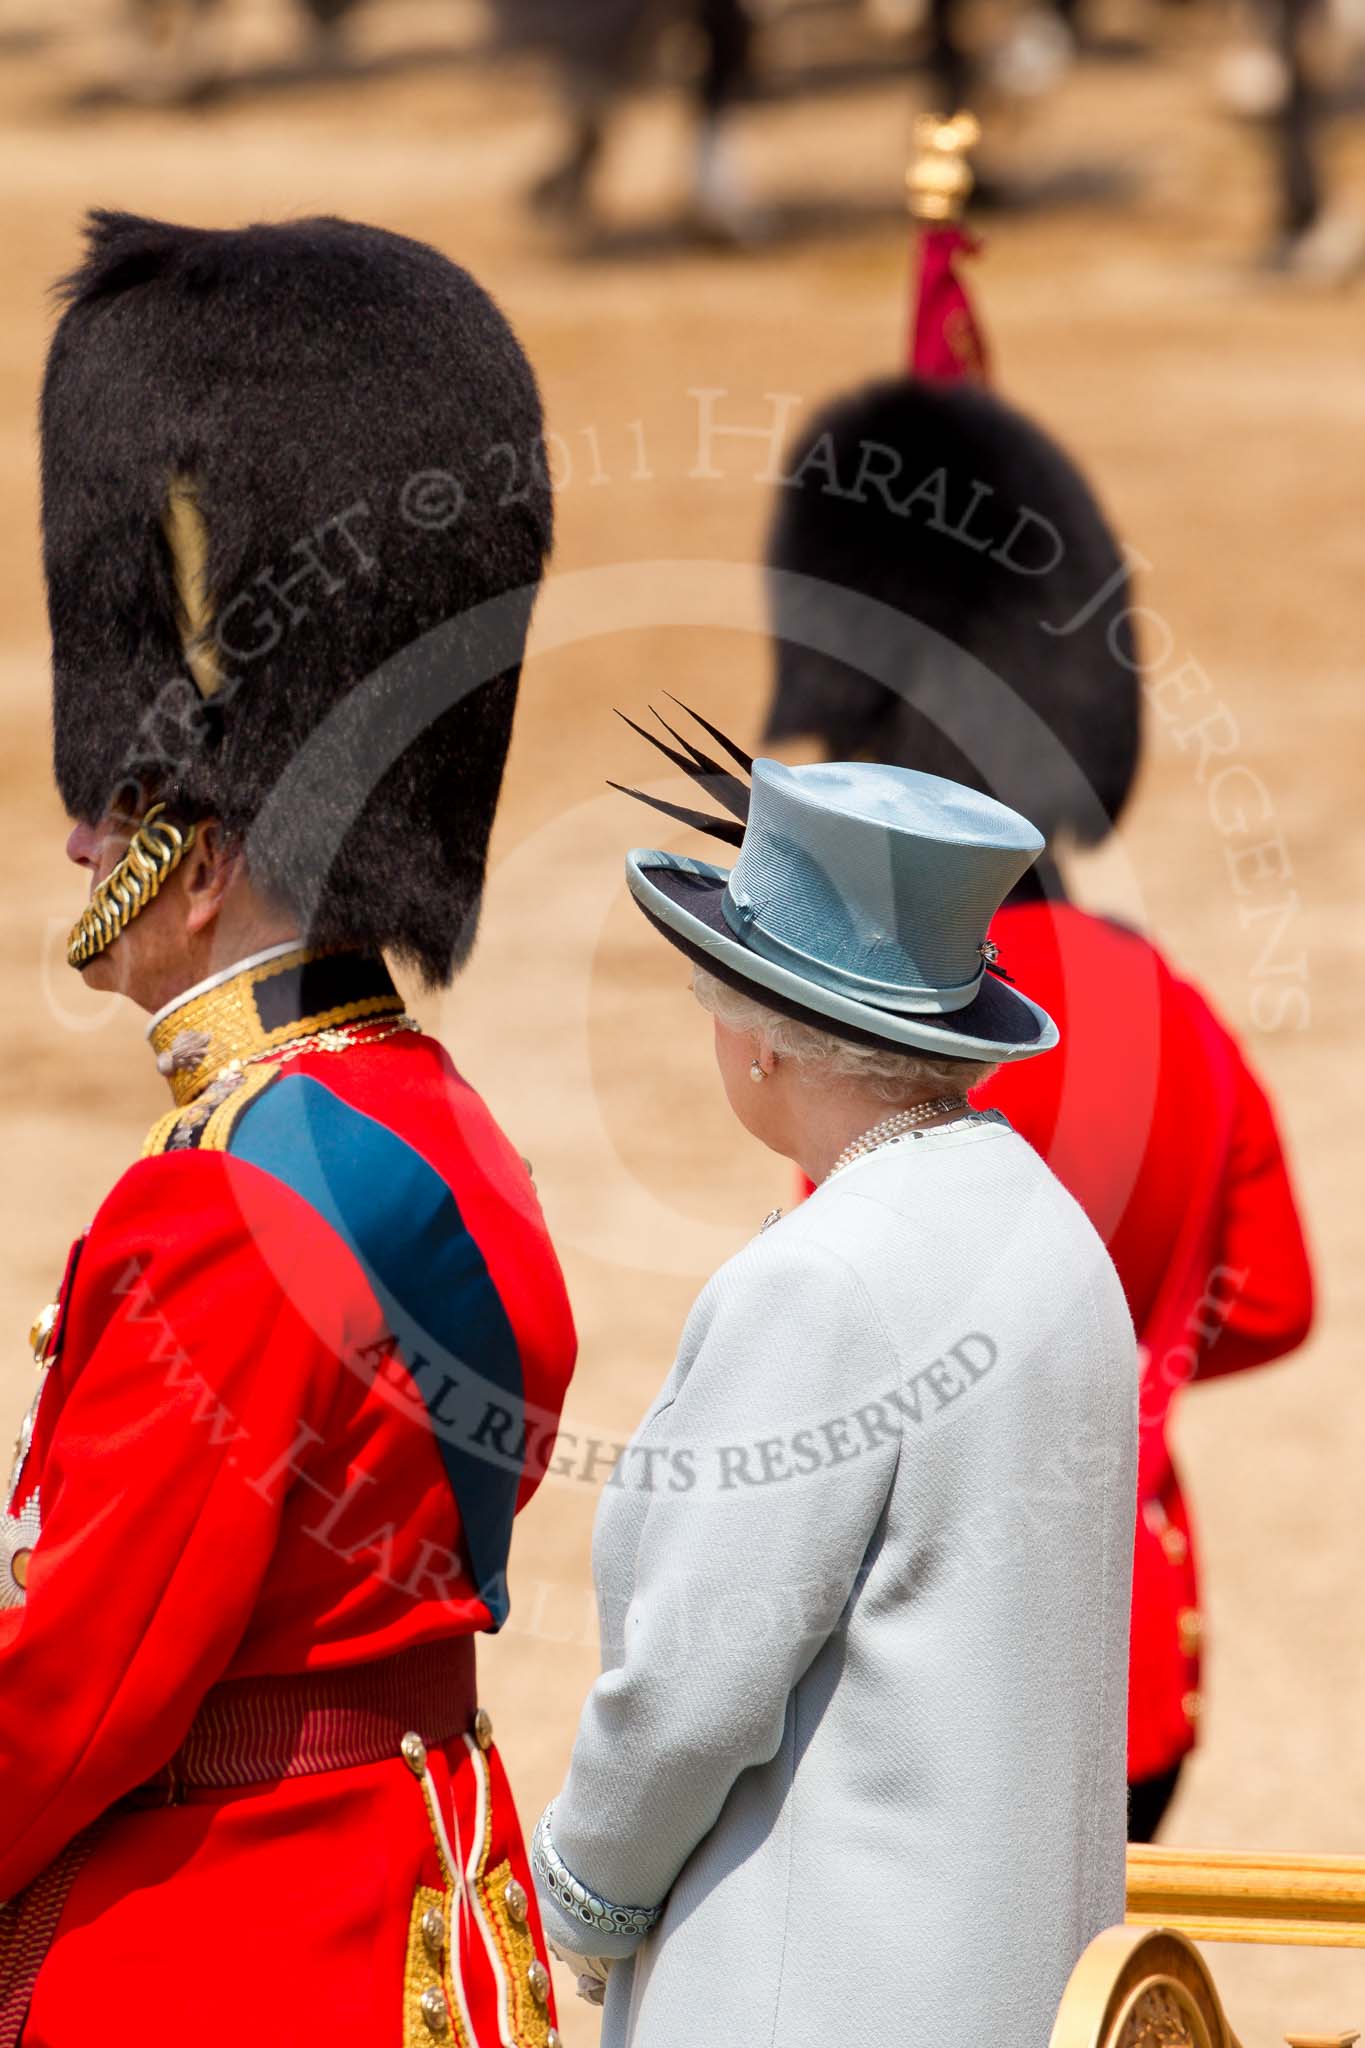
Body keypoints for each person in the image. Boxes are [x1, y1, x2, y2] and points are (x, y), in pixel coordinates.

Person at [0, 212, 577, 2047]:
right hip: (415, 1889)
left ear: (213, 841)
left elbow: (85, 1693)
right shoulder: (435, 1119)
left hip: (236, 1941)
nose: (86, 842)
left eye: (120, 809)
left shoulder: (229, 1204)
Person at [763, 374, 1315, 1839]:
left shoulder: (911, 1026)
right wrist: (1134, 1378)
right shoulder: (1172, 1010)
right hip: (1143, 1650)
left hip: (945, 1671)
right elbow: (1274, 1301)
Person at [531, 719, 1138, 2046]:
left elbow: (693, 1692)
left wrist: (577, 1897)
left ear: (764, 1041)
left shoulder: (821, 1280)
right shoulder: (1046, 1230)